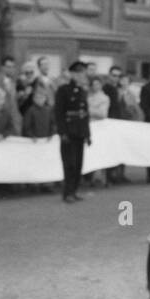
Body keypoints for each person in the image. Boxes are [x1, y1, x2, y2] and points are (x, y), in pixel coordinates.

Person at [57, 61, 91, 203]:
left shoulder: (82, 91)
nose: (83, 75)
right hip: (69, 131)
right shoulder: (63, 90)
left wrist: (88, 134)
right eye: (80, 72)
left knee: (78, 164)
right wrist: (62, 132)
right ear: (73, 74)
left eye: (83, 72)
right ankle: (67, 193)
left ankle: (74, 191)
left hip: (80, 131)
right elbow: (58, 112)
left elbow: (85, 114)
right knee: (69, 163)